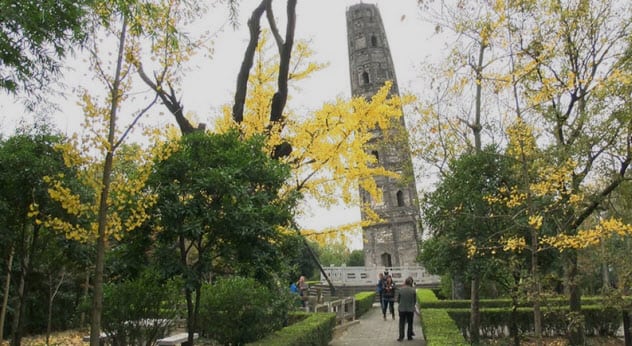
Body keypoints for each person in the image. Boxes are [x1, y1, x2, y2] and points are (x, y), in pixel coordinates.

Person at [396, 276, 417, 341]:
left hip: (402, 309)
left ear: (405, 282)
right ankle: (409, 336)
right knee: (410, 323)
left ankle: (401, 337)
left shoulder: (401, 289)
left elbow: (398, 300)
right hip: (410, 309)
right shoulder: (413, 290)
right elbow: (414, 300)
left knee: (401, 323)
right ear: (411, 283)